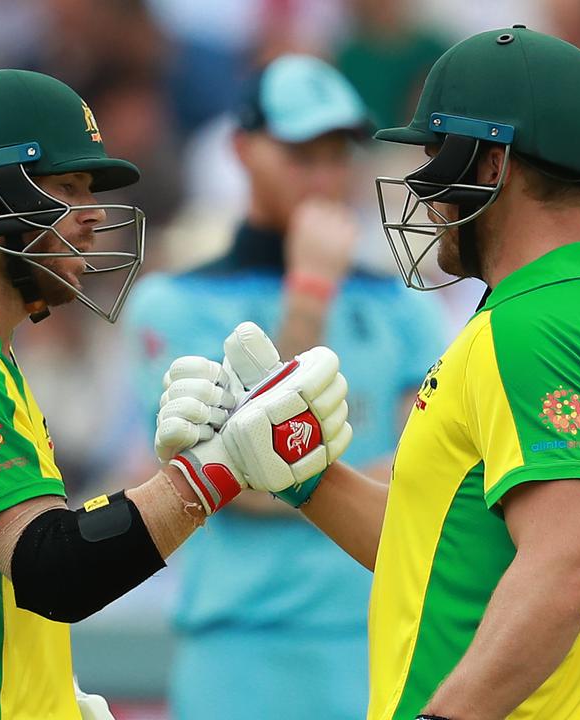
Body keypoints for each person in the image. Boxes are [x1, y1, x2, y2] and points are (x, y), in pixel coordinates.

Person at [159, 27, 580, 719]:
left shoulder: (529, 327)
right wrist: (301, 471)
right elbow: (427, 538)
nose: (425, 189)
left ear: (489, 166)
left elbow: (566, 567)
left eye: (437, 154)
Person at [0, 69, 352, 719]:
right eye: (69, 187)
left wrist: (48, 695)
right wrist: (217, 470)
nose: (95, 213)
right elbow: (56, 570)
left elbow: (6, 579)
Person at [124, 54, 445, 720]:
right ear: (242, 150)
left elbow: (424, 482)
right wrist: (308, 294)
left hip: (373, 639)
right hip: (237, 651)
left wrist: (311, 475)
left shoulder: (404, 309)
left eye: (338, 153)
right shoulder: (173, 304)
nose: (325, 176)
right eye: (300, 153)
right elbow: (230, 479)